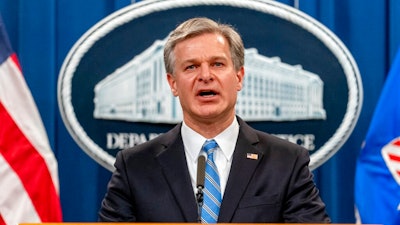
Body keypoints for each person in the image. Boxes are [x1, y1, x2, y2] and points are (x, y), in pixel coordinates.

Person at [98, 17, 331, 223]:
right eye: (191, 67)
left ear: (239, 77)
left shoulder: (286, 162)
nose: (206, 76)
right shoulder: (135, 167)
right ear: (173, 84)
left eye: (217, 64)